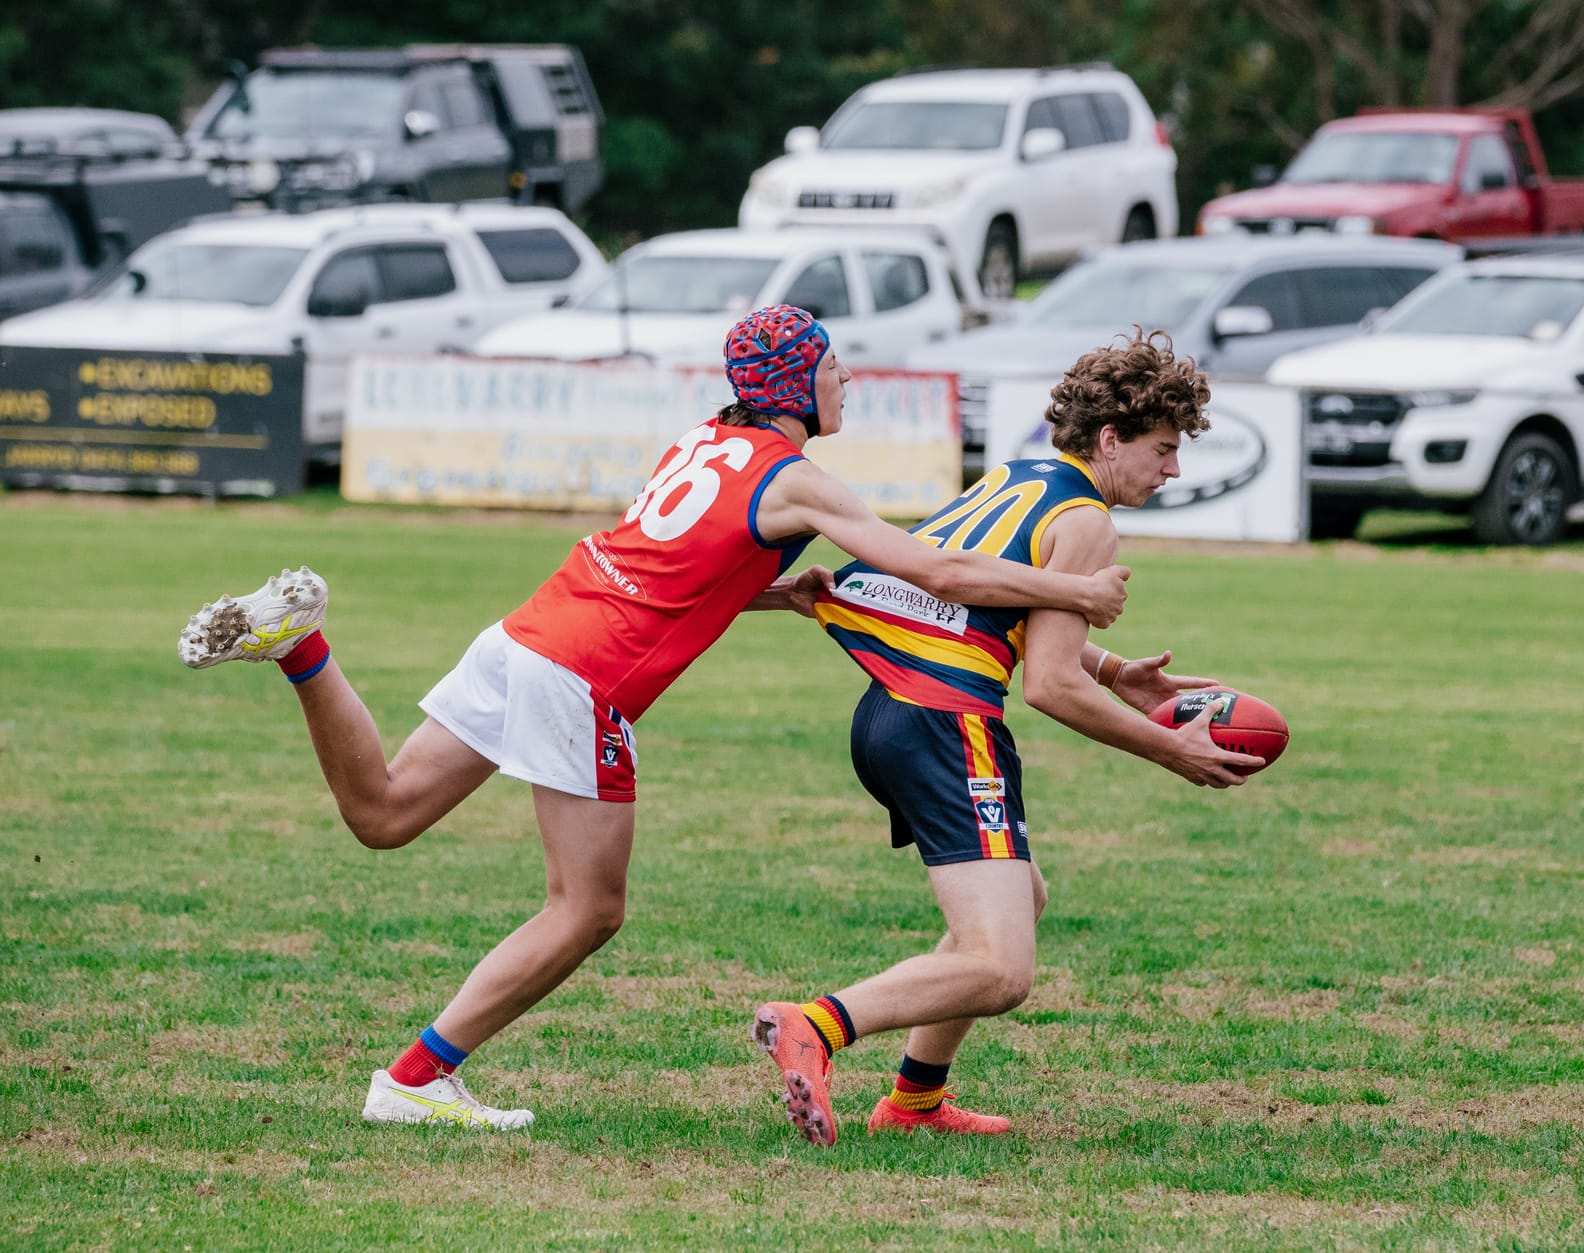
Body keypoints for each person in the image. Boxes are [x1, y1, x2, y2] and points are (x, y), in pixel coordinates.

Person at [175, 305, 1130, 1130]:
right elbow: (939, 571)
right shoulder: (797, 480)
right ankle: (417, 1080)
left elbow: (672, 567)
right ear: (799, 382)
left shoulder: (702, 441)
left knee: (381, 814)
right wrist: (1073, 590)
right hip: (584, 676)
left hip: (531, 629)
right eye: (834, 366)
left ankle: (302, 646)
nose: (847, 381)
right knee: (587, 908)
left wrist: (780, 595)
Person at [748, 330, 1264, 1146]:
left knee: (1021, 895)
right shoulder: (1087, 522)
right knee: (1002, 969)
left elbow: (976, 598)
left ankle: (915, 1101)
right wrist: (1171, 748)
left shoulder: (1020, 476)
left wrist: (1114, 667)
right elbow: (1047, 685)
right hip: (949, 721)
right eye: (1163, 450)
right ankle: (816, 1025)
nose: (1172, 470)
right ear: (1110, 439)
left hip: (889, 713)